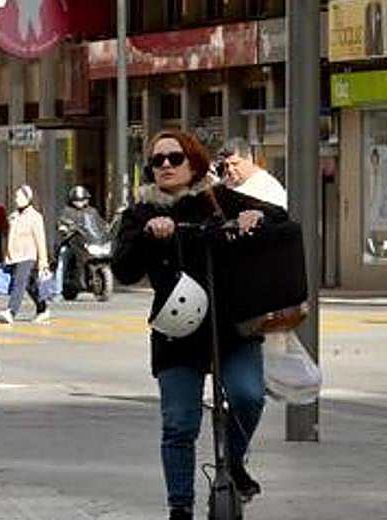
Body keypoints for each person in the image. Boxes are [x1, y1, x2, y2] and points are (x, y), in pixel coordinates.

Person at [112, 130, 288, 520]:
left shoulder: (218, 199)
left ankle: (234, 461)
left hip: (232, 325)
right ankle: (180, 507)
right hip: (177, 330)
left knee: (247, 396)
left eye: (174, 158)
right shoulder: (141, 211)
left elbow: (278, 217)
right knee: (179, 424)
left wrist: (256, 216)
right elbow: (123, 268)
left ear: (193, 162)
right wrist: (150, 236)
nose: (166, 166)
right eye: (158, 161)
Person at [0, 184, 50, 325]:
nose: (16, 199)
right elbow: (9, 238)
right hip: (14, 256)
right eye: (16, 196)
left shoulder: (35, 217)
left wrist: (43, 261)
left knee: (19, 282)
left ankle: (11, 311)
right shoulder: (13, 216)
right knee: (29, 285)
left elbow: (40, 239)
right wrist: (6, 257)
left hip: (28, 255)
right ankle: (42, 308)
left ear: (28, 198)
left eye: (20, 196)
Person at [218, 138, 287, 209]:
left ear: (249, 159)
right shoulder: (226, 183)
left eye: (235, 164)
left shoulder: (267, 188)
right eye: (226, 165)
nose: (230, 169)